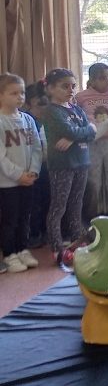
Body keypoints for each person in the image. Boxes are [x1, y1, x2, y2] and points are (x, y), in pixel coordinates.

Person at [40, 68, 95, 259]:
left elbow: (90, 133)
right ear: (51, 89)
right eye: (65, 86)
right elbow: (77, 130)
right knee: (59, 206)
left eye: (73, 86)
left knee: (76, 204)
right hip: (62, 165)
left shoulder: (77, 109)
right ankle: (56, 246)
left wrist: (76, 136)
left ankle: (77, 238)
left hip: (81, 162)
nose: (71, 90)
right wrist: (83, 131)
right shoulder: (52, 111)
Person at [74, 62, 108, 216]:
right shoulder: (81, 97)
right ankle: (93, 216)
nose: (107, 81)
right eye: (102, 78)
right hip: (92, 143)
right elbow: (73, 115)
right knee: (94, 182)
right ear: (92, 81)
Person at [0, 74, 42, 273]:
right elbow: (1, 158)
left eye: (22, 93)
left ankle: (22, 249)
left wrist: (33, 171)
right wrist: (18, 175)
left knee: (25, 217)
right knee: (10, 220)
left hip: (28, 180)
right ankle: (10, 254)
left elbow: (37, 148)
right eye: (14, 93)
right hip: (7, 183)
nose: (20, 97)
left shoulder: (28, 119)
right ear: (1, 96)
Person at [21, 81, 50, 248]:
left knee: (48, 199)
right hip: (30, 168)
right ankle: (34, 233)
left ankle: (46, 231)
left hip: (49, 166)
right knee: (34, 203)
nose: (43, 107)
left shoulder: (51, 118)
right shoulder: (24, 120)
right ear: (28, 103)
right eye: (39, 104)